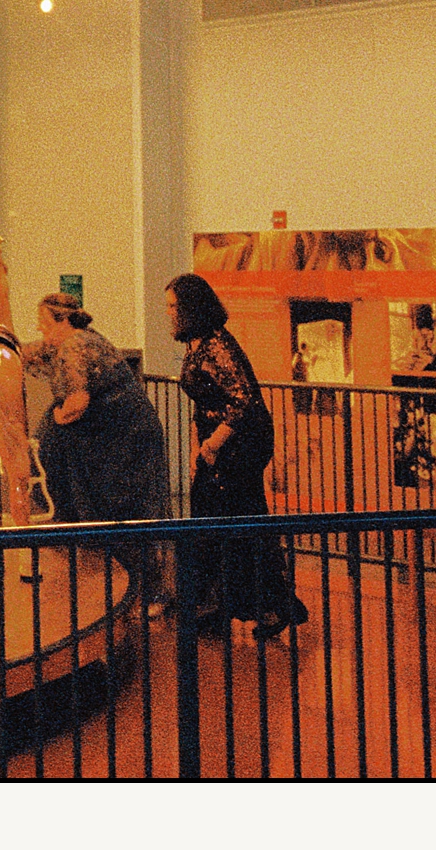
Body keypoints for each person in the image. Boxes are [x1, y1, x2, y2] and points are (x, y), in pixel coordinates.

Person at [169, 273, 308, 639]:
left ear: (190, 309)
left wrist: (212, 445)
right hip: (221, 441)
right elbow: (208, 401)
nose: (168, 313)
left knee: (235, 520)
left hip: (240, 442)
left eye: (173, 307)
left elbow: (242, 401)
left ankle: (266, 604)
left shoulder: (217, 346)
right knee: (221, 518)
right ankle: (229, 604)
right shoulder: (197, 343)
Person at [24, 291, 174, 612]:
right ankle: (130, 591)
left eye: (43, 323)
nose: (40, 329)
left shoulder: (74, 347)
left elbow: (77, 404)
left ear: (61, 321)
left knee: (125, 511)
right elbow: (31, 351)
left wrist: (56, 416)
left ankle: (148, 592)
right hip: (125, 435)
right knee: (124, 511)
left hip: (123, 441)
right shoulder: (81, 338)